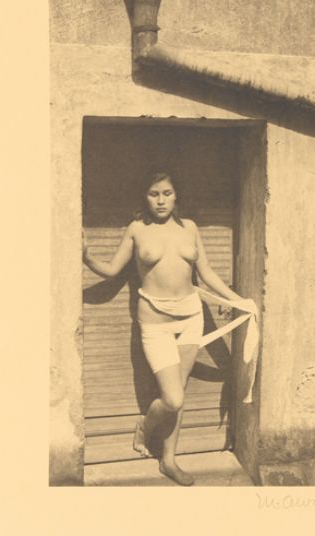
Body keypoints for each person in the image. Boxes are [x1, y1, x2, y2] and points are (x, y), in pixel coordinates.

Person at [82, 171, 244, 486]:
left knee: (178, 393)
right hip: (155, 323)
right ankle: (144, 427)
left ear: (176, 195)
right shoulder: (136, 229)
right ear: (145, 196)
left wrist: (238, 301)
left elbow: (207, 272)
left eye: (166, 193)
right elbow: (112, 270)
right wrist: (87, 257)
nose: (160, 200)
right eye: (153, 193)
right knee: (173, 399)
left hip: (191, 318)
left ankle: (168, 460)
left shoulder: (190, 228)